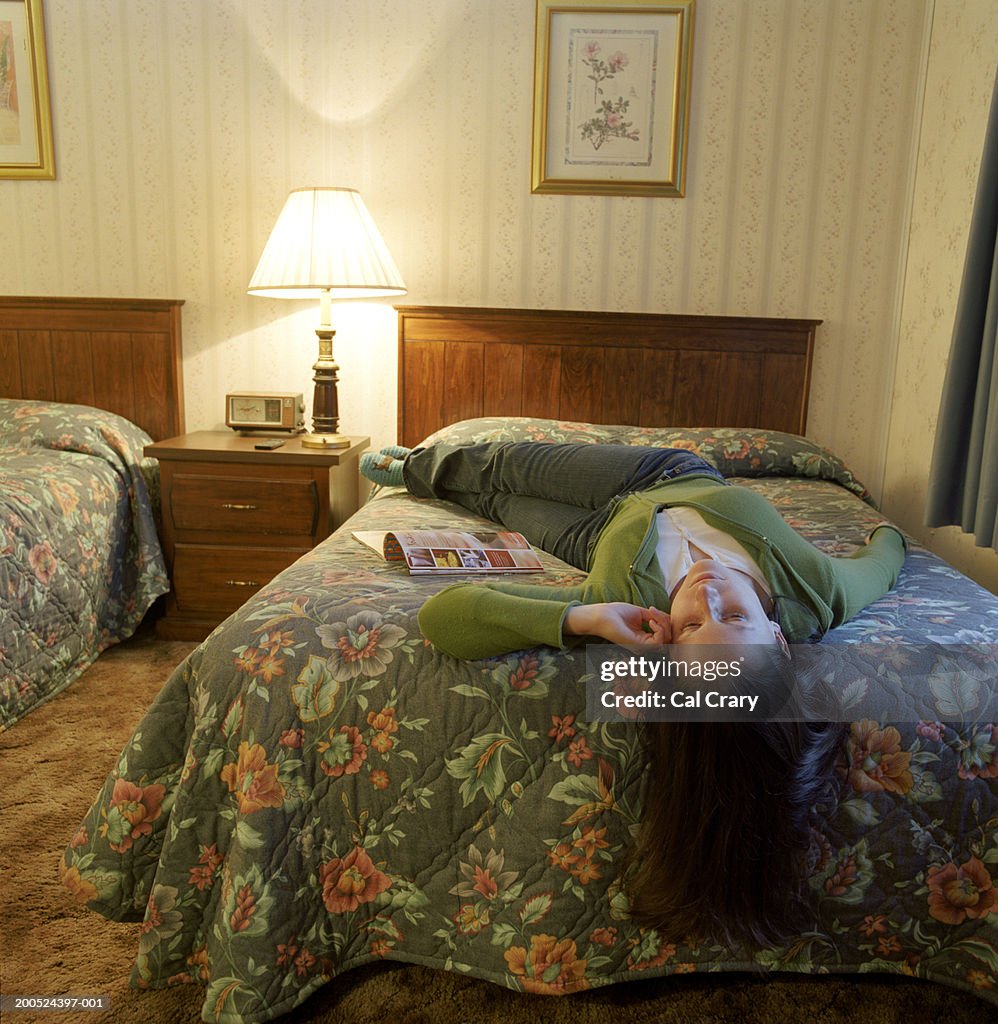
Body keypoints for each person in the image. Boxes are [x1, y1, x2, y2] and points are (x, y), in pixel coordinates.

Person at [361, 439, 907, 949]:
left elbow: (443, 616)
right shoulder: (818, 591)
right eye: (737, 617)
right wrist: (887, 526)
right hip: (662, 473)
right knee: (501, 466)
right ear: (780, 638)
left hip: (596, 540)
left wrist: (585, 616)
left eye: (693, 627)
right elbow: (882, 564)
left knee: (499, 505)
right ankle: (417, 465)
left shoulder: (627, 605)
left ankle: (443, 483)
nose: (708, 595)